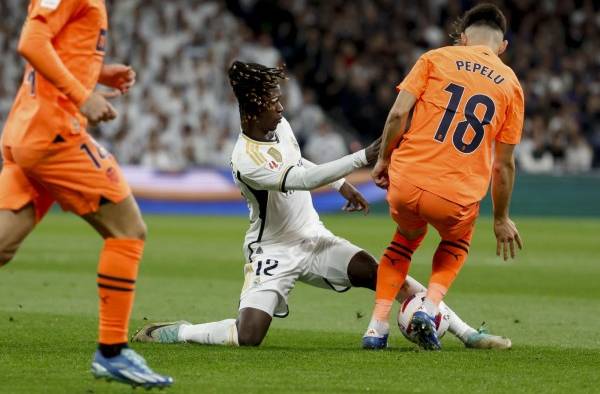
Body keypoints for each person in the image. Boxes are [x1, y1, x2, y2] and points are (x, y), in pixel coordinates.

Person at [132, 61, 510, 350]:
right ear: (250, 112)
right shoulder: (246, 159)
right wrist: (363, 156)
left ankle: (466, 334)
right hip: (274, 250)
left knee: (386, 276)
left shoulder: (278, 127)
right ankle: (177, 331)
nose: (280, 107)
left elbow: (300, 162)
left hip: (314, 239)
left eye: (279, 99)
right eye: (272, 102)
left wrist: (342, 184)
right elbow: (299, 179)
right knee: (248, 336)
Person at [0, 0, 171, 388]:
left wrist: (97, 73)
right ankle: (112, 352)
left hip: (28, 131)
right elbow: (31, 41)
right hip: (53, 135)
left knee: (2, 245)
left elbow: (55, 46)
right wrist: (82, 94)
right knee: (128, 229)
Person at [363, 3, 524, 351]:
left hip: (407, 181)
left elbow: (397, 114)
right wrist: (500, 217)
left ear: (463, 37)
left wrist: (383, 161)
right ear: (503, 46)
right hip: (456, 194)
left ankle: (375, 328)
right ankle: (430, 307)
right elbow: (504, 166)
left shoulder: (434, 58)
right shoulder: (511, 86)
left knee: (403, 242)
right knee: (455, 243)